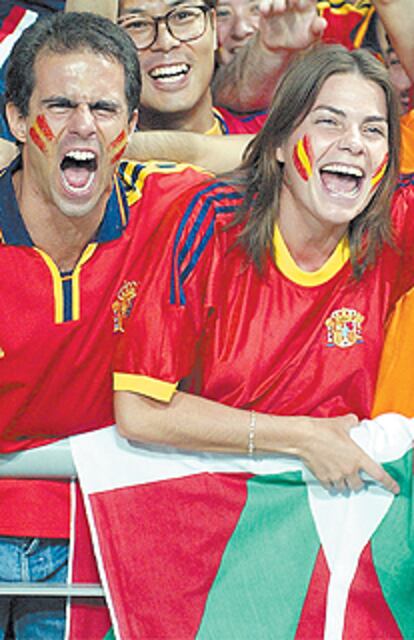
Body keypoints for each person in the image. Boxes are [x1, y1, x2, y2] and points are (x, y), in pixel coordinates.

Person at [113, 44, 413, 498]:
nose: (354, 142)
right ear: (277, 143)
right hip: (207, 507)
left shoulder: (392, 222)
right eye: (329, 121)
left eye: (373, 130)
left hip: (329, 514)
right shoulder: (212, 221)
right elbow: (139, 410)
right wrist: (301, 438)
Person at [0, 10, 208, 638]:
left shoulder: (177, 208)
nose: (82, 125)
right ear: (15, 119)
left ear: (132, 126)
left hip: (95, 539)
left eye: (105, 108)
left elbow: (296, 176)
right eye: (58, 105)